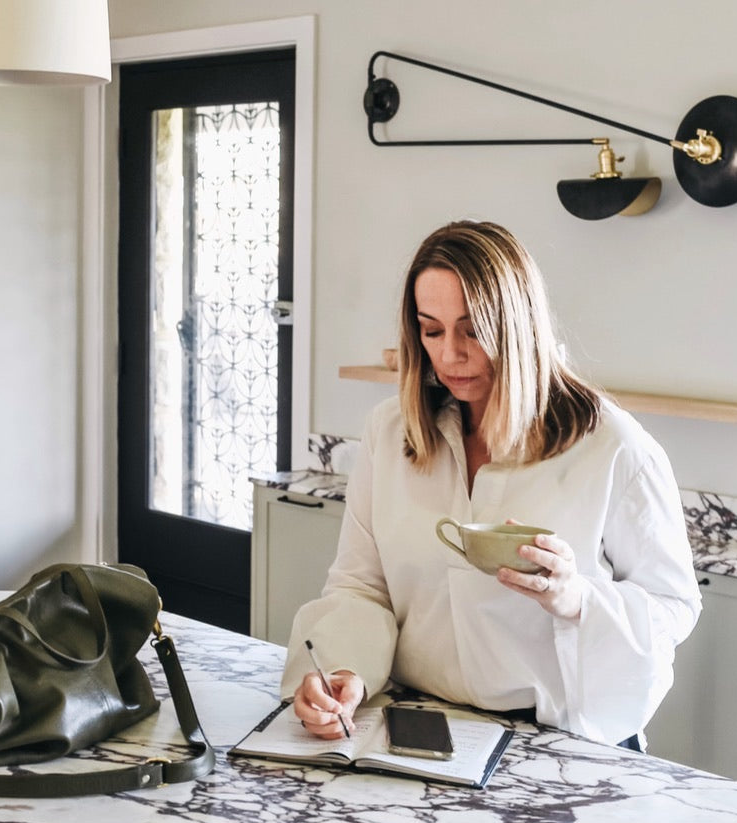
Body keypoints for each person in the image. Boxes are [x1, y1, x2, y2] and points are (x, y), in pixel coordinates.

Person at [281, 220, 701, 748]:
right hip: (420, 727)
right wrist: (344, 672)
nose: (451, 354)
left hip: (557, 738)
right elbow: (363, 587)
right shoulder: (391, 434)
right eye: (431, 330)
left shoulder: (614, 448)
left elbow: (673, 608)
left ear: (519, 324)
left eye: (474, 329)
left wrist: (578, 599)